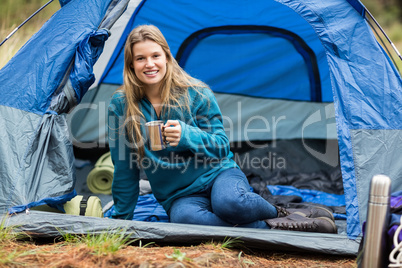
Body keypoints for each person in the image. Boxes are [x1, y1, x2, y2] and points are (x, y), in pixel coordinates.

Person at [107, 24, 337, 233]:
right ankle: (280, 225)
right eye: (140, 58)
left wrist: (187, 135)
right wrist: (120, 221)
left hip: (218, 174)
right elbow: (124, 168)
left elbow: (221, 146)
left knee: (230, 203)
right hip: (179, 195)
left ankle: (281, 212)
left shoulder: (196, 93)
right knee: (186, 219)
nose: (149, 64)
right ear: (130, 65)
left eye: (155, 55)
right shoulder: (121, 106)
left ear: (167, 57)